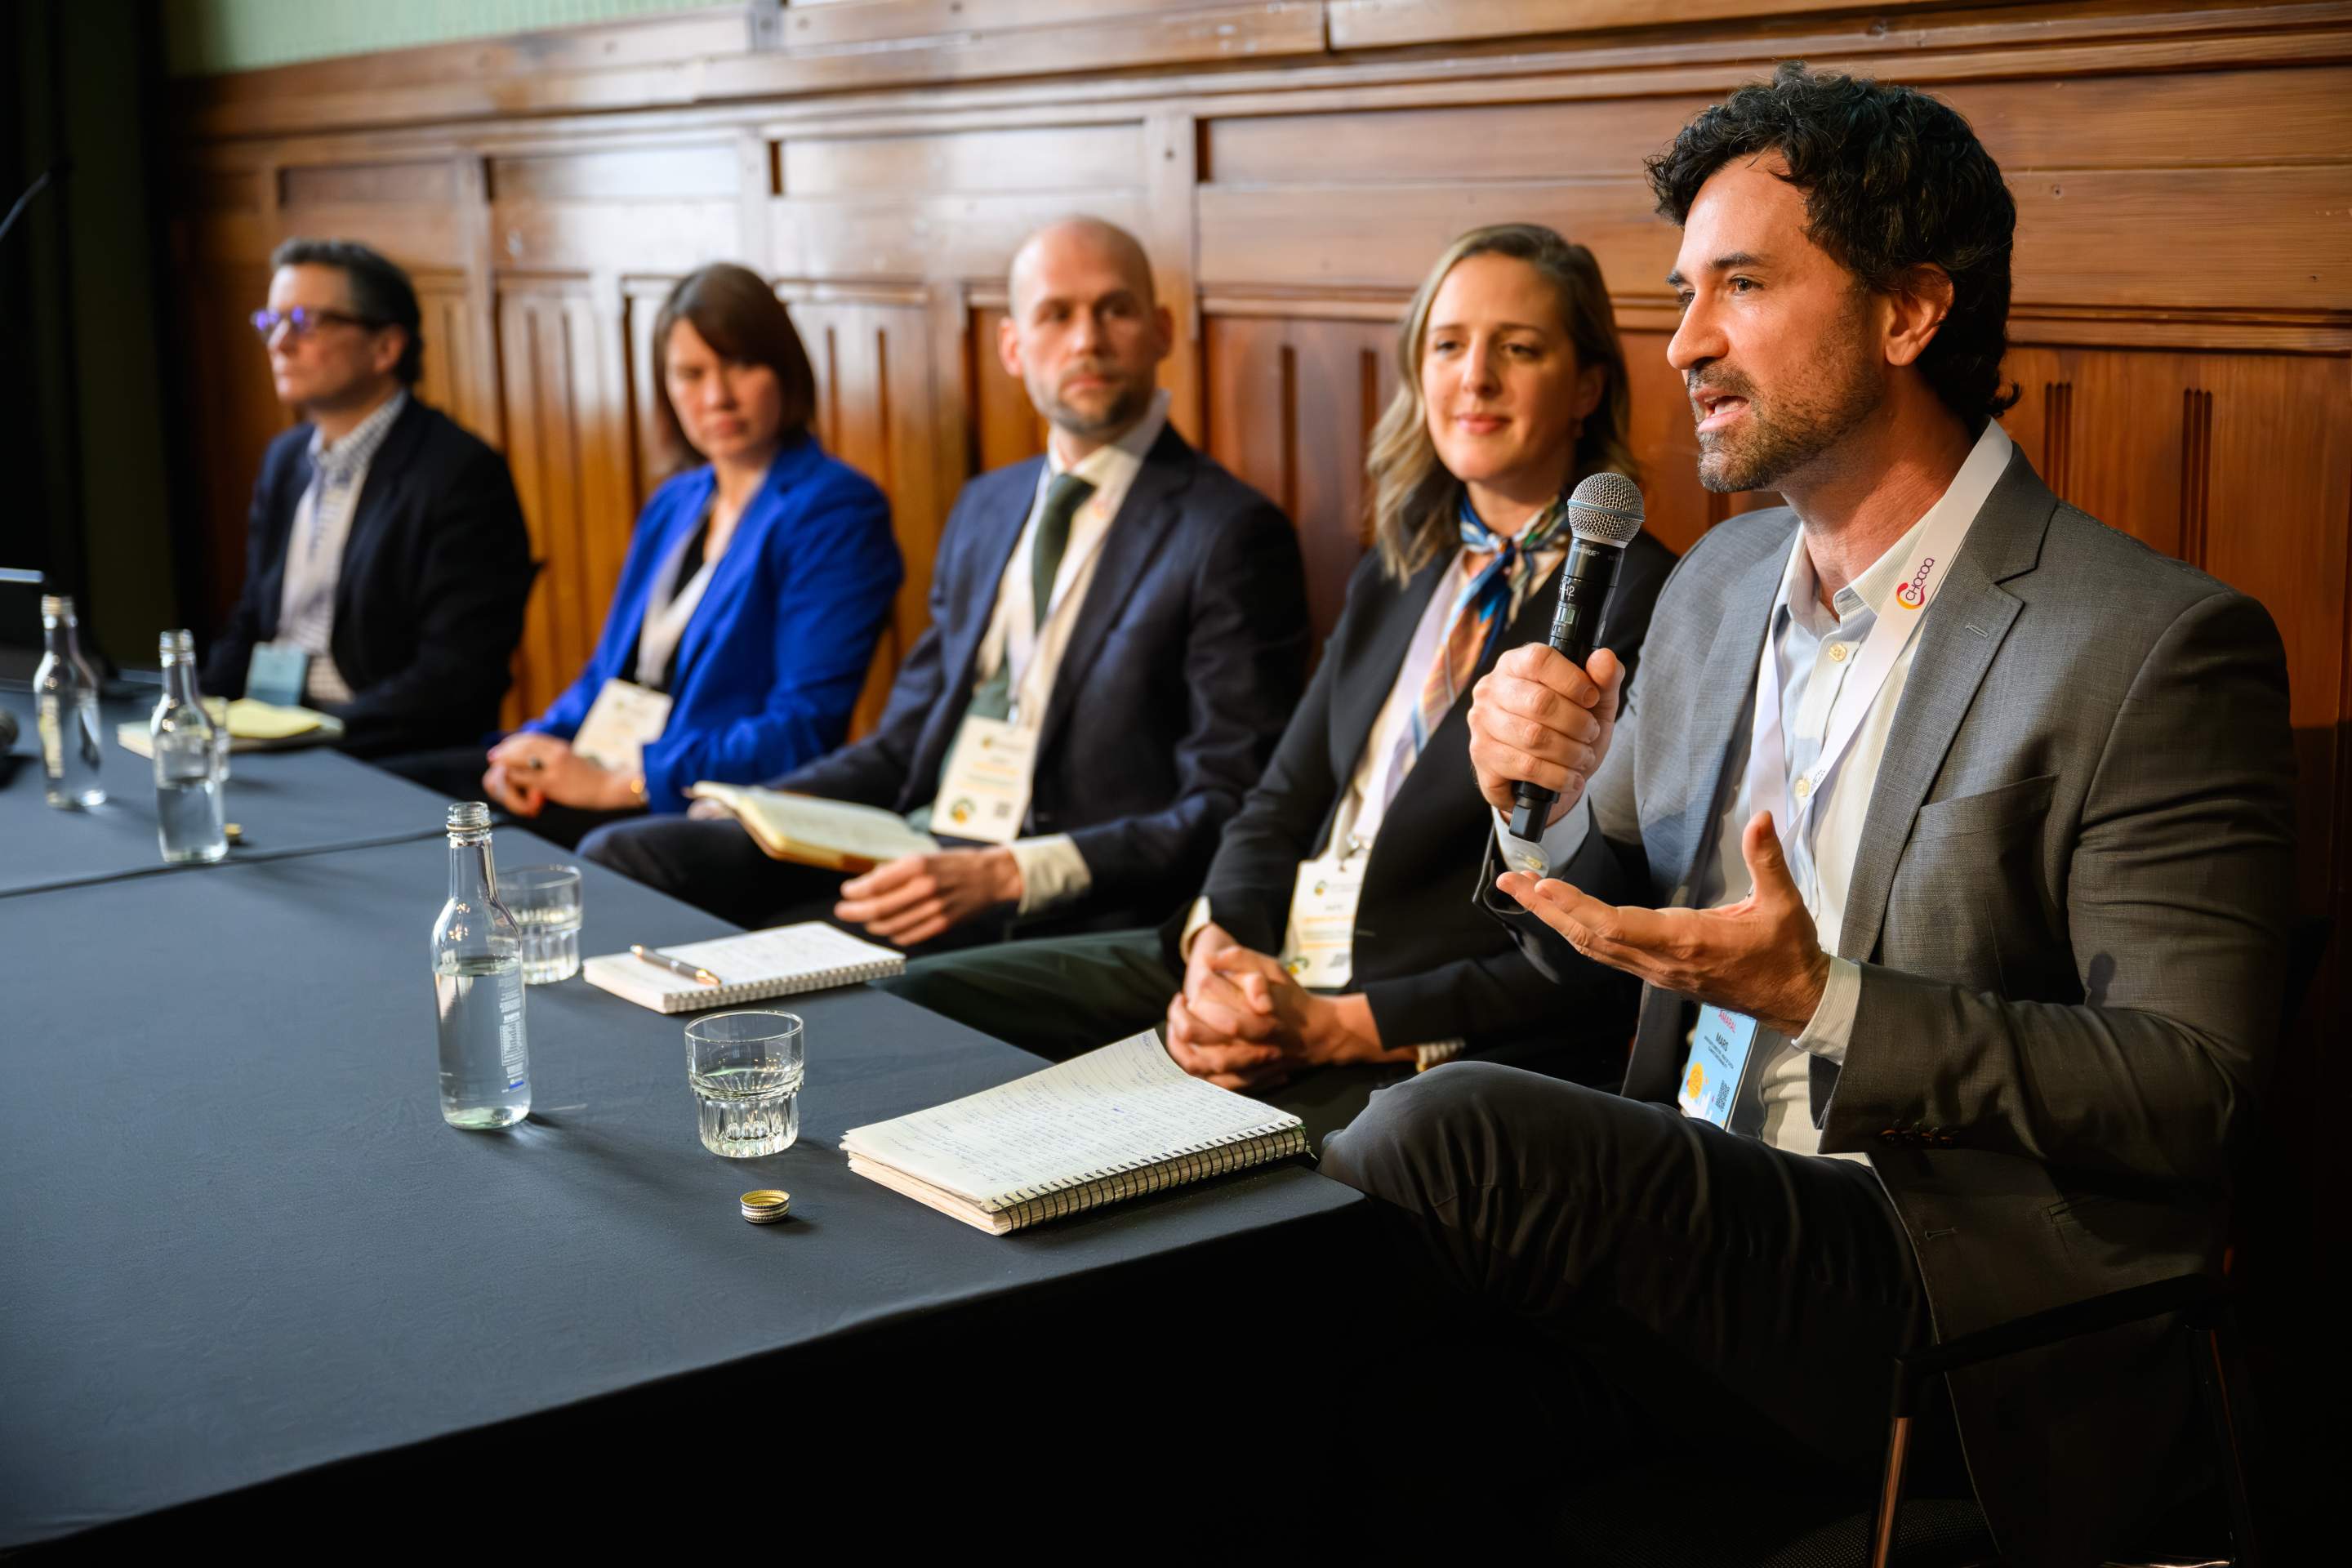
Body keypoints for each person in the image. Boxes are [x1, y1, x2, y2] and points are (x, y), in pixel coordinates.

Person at [1320, 65, 2296, 1565]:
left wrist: (1823, 999)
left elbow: (2192, 1088)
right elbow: (1598, 912)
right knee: (1355, 1388)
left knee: (1443, 1138)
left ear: (1910, 312)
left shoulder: (2149, 642)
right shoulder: (1718, 584)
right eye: (1683, 294)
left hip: (1941, 1293)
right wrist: (1540, 811)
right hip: (1696, 1211)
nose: (1685, 343)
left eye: (1743, 286)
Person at [880, 224, 1673, 1134]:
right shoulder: (1401, 567)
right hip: (1268, 959)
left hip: (1403, 1022)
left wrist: (1339, 1027)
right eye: (1449, 345)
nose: (1475, 378)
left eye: (1519, 349)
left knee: (1166, 1159)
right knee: (914, 1007)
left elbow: (1597, 933)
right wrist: (1218, 953)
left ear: (1587, 386)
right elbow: (1276, 802)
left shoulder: (1645, 599)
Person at [582, 217, 1307, 949]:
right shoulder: (987, 507)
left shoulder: (1230, 532)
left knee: (780, 951)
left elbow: (1227, 800)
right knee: (623, 858)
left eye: (1114, 310)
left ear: (1161, 331)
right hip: (917, 839)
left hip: (1052, 889)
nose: (1086, 340)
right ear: (1013, 348)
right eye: (1056, 315)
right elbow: (904, 742)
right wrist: (764, 803)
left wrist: (1011, 873)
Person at [381, 265, 901, 850]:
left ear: (785, 370)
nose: (717, 397)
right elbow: (605, 677)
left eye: (740, 365)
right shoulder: (676, 502)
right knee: (395, 790)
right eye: (691, 374)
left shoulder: (835, 509)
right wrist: (529, 749)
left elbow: (802, 727)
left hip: (698, 799)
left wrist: (626, 783)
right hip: (602, 762)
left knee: (440, 837)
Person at [204, 239, 533, 760]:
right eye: (272, 322)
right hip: (274, 732)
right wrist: (197, 711)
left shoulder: (459, 473)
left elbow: (456, 676)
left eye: (305, 322)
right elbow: (254, 619)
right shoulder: (285, 459)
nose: (280, 344)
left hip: (382, 749)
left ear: (386, 348)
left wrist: (311, 736)